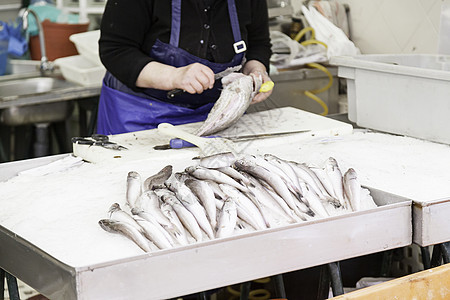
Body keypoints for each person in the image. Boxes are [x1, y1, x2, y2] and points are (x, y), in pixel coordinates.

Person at [97, 0, 273, 135]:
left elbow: (259, 43)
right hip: (139, 117)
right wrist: (173, 76)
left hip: (217, 116)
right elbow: (115, 50)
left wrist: (256, 68)